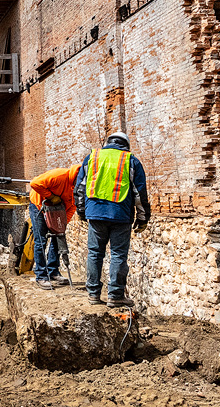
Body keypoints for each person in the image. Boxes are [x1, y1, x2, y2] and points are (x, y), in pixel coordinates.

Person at [73, 132, 150, 307]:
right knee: (118, 254)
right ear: (126, 145)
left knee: (94, 253)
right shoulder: (131, 160)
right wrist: (143, 218)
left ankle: (93, 294)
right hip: (121, 214)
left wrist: (81, 211)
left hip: (95, 213)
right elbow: (140, 194)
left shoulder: (92, 157)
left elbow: (80, 188)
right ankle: (115, 296)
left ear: (108, 143)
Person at [28, 163, 82, 290]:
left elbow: (72, 207)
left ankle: (53, 271)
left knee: (58, 238)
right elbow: (35, 183)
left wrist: (62, 225)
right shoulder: (60, 176)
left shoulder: (79, 189)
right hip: (39, 206)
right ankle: (41, 275)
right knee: (41, 240)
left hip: (57, 211)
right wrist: (51, 197)